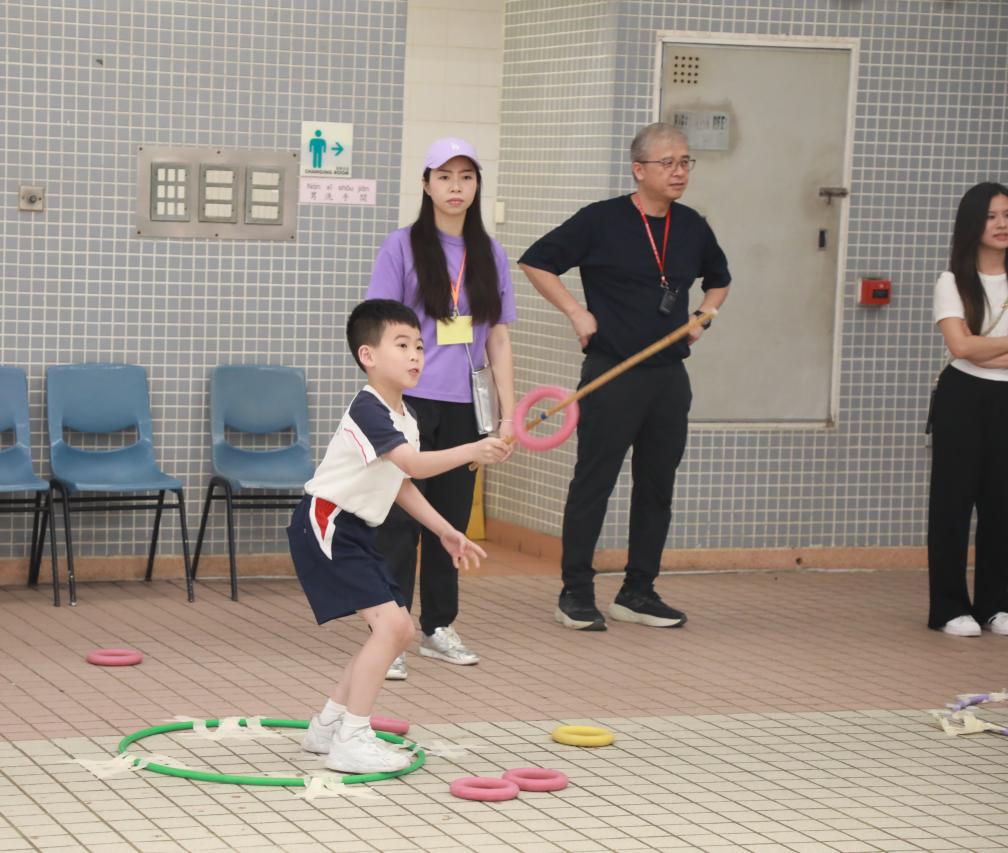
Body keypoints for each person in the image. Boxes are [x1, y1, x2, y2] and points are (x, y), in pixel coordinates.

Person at [518, 122, 731, 632]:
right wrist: (577, 313)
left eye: (685, 162)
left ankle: (638, 590)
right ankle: (575, 592)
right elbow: (536, 262)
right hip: (612, 372)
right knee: (594, 482)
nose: (679, 172)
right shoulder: (601, 220)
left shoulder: (692, 226)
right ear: (639, 170)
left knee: (657, 485)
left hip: (668, 376)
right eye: (668, 163)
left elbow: (719, 280)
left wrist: (703, 317)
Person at [289, 299, 511, 772]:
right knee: (393, 628)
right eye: (403, 345)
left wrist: (445, 530)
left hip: (353, 529)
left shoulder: (404, 416)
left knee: (399, 629)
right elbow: (413, 465)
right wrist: (472, 448)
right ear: (368, 356)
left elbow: (402, 483)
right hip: (327, 524)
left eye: (420, 347)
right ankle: (351, 738)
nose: (415, 356)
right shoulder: (369, 409)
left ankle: (328, 726)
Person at [366, 137, 517, 680]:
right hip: (409, 402)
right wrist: (384, 400)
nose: (456, 187)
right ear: (426, 184)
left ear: (477, 187)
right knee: (399, 518)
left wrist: (508, 412)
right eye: (445, 176)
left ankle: (438, 626)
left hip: (465, 407)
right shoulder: (402, 247)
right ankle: (392, 633)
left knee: (450, 520)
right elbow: (380, 327)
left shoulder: (490, 254)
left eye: (467, 177)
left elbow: (497, 337)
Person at [927, 181, 1008, 637]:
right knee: (953, 504)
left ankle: (996, 604)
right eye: (992, 216)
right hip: (963, 396)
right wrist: (981, 349)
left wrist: (982, 348)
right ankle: (949, 608)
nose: (1001, 224)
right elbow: (959, 347)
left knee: (1002, 504)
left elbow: (974, 346)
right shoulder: (953, 281)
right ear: (973, 223)